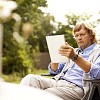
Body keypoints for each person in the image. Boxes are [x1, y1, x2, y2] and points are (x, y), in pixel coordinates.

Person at [20, 22, 100, 100]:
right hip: (59, 81)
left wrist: (75, 57)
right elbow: (54, 70)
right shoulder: (73, 51)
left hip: (77, 88)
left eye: (82, 34)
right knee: (29, 79)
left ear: (91, 35)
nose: (79, 38)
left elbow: (98, 73)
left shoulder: (97, 51)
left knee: (45, 94)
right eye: (76, 36)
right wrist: (55, 54)